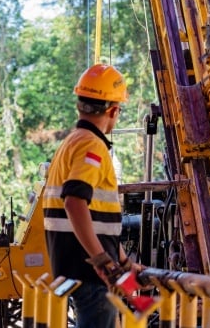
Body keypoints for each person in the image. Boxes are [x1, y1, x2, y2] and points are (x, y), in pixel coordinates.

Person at [43, 63, 137, 328]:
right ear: (113, 110)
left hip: (72, 267)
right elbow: (74, 202)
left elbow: (97, 220)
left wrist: (122, 260)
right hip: (90, 273)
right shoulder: (91, 146)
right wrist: (102, 260)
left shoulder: (71, 142)